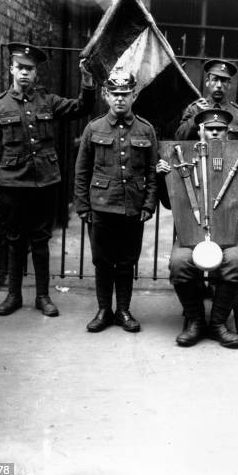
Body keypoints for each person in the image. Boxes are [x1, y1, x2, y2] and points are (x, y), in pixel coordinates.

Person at [0, 42, 96, 317]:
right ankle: (14, 295)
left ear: (36, 74)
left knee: (41, 240)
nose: (24, 73)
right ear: (11, 69)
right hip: (12, 185)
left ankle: (43, 296)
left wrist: (88, 83)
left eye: (29, 69)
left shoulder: (47, 101)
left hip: (45, 183)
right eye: (20, 67)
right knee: (14, 240)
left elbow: (82, 107)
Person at [157, 109, 238, 348]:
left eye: (221, 129)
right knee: (179, 263)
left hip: (230, 233)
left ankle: (217, 324)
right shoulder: (182, 155)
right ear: (200, 131)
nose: (215, 132)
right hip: (192, 232)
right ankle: (195, 321)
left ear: (228, 132)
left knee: (235, 262)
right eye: (210, 128)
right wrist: (163, 178)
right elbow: (167, 203)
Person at [74, 68, 158, 333]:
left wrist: (148, 204)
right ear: (105, 95)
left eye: (125, 94)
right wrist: (83, 207)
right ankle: (103, 310)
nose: (120, 99)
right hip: (101, 206)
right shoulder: (93, 128)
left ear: (134, 95)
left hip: (132, 208)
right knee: (102, 261)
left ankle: (122, 310)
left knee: (126, 261)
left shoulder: (146, 130)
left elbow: (153, 172)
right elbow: (82, 171)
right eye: (114, 94)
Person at [175, 59, 238, 141]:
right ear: (207, 82)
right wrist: (197, 117)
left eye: (224, 81)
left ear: (229, 85)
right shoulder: (194, 109)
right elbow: (179, 138)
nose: (219, 85)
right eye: (215, 80)